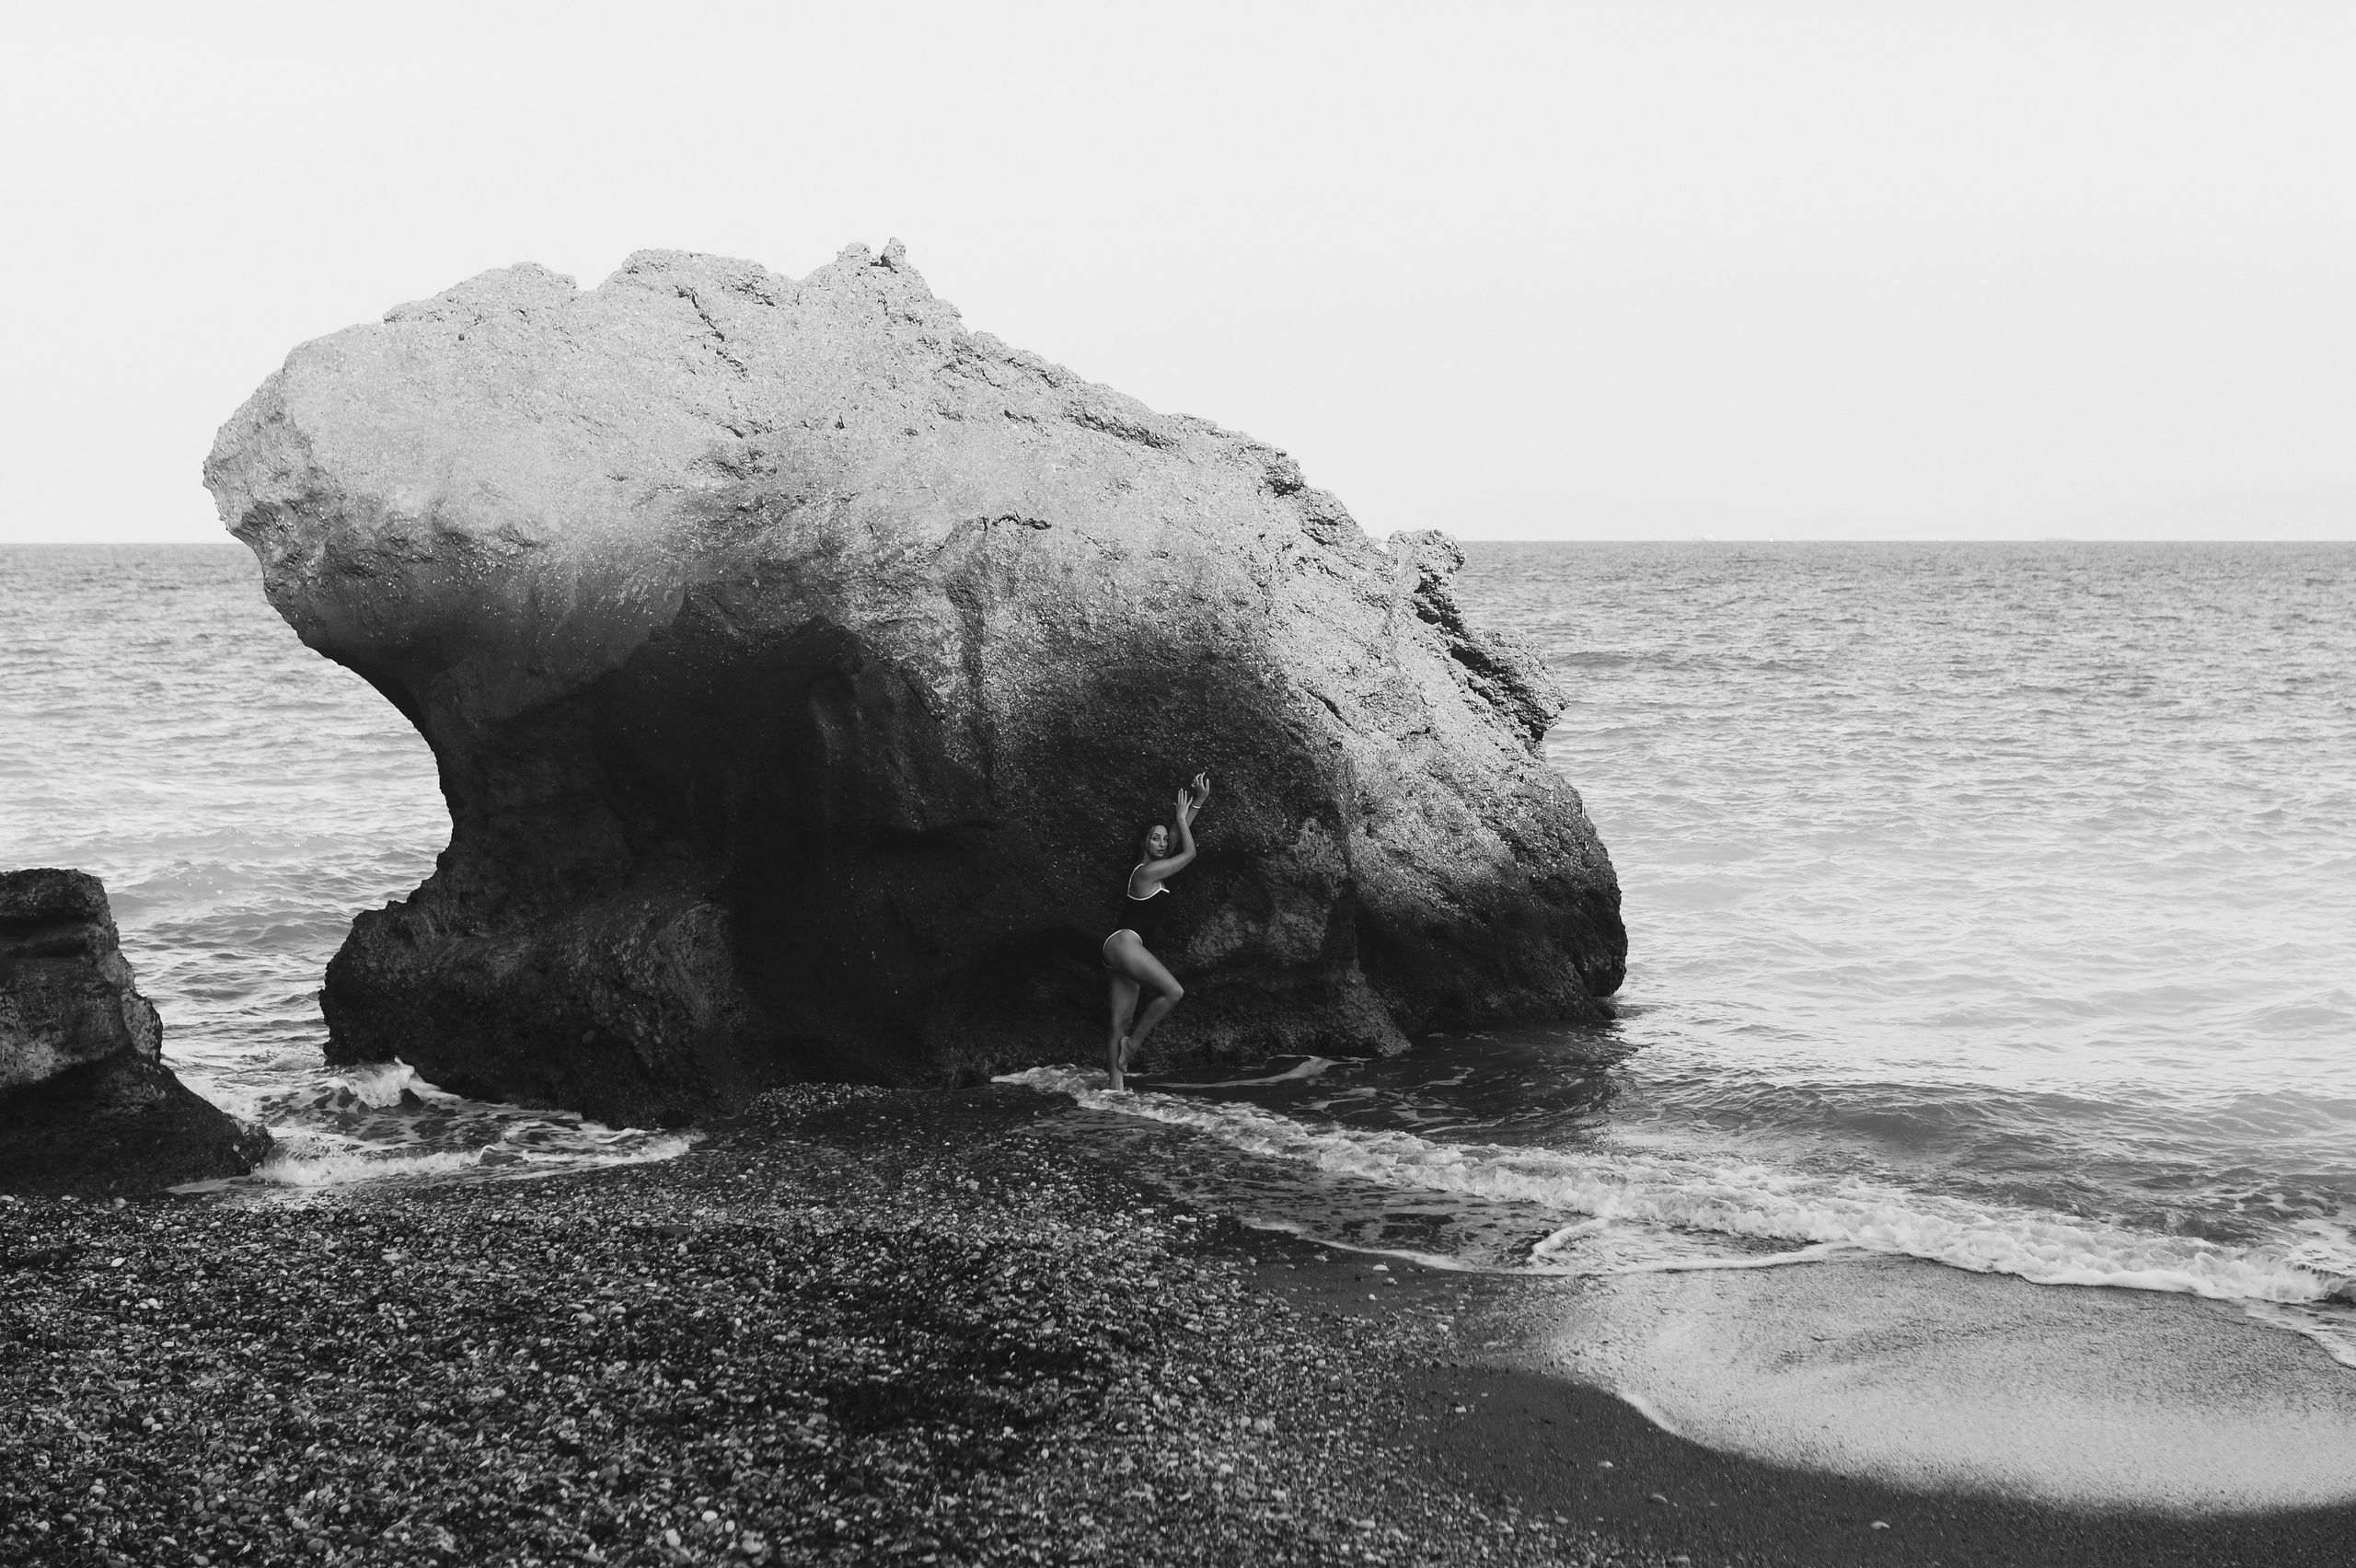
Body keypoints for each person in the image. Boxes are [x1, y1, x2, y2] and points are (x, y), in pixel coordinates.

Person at [1103, 771, 1211, 1090]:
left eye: (1165, 839)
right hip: (1125, 943)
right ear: (1143, 843)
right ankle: (1133, 1046)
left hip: (1120, 949)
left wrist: (1198, 803)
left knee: (1119, 1022)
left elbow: (1179, 835)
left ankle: (1114, 1091)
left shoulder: (1154, 867)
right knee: (1173, 991)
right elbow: (1188, 852)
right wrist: (1179, 815)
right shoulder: (1146, 873)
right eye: (1156, 838)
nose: (1163, 843)